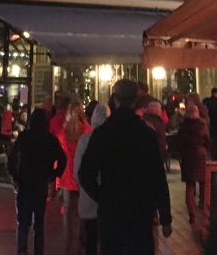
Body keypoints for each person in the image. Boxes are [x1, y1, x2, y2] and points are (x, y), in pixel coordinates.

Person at [79, 78, 172, 255]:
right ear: (135, 99)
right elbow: (158, 177)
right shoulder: (146, 134)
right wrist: (165, 216)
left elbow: (85, 173)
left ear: (115, 99)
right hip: (140, 209)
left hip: (112, 210)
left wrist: (101, 196)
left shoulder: (102, 133)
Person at [8, 108, 67, 255]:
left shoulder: (24, 137)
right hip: (41, 184)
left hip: (25, 183)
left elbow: (12, 158)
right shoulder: (50, 140)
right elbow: (63, 158)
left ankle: (22, 250)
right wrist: (53, 175)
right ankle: (38, 251)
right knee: (39, 224)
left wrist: (14, 177)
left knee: (23, 223)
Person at [56, 98, 92, 255]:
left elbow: (58, 159)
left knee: (68, 216)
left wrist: (56, 181)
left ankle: (69, 246)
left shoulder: (62, 133)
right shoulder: (88, 131)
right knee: (84, 212)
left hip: (66, 179)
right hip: (83, 178)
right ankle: (82, 244)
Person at [74, 102, 108, 255]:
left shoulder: (84, 140)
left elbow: (78, 170)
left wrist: (82, 189)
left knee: (91, 240)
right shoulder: (111, 141)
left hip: (88, 196)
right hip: (107, 198)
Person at [176, 103, 208, 227]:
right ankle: (203, 204)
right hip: (201, 155)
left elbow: (179, 143)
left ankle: (191, 212)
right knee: (203, 182)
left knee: (190, 184)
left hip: (188, 156)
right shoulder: (202, 125)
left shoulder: (183, 126)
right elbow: (208, 141)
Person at [143, 100, 169, 166]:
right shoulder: (157, 122)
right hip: (156, 151)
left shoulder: (144, 120)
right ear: (156, 110)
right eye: (160, 109)